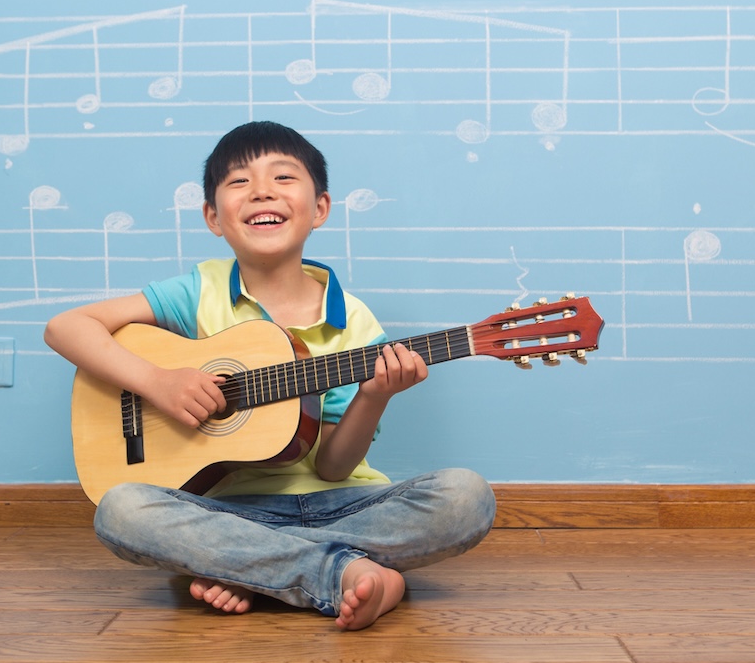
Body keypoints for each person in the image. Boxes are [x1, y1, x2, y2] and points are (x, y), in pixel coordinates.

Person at [44, 121, 495, 630]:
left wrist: (373, 396)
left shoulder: (357, 324)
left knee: (466, 497)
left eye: (283, 177)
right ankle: (342, 572)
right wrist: (157, 382)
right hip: (226, 511)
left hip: (344, 505)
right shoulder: (201, 291)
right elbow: (66, 328)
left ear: (320, 208)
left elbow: (332, 468)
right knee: (121, 507)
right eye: (239, 181)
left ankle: (250, 567)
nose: (261, 190)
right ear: (213, 217)